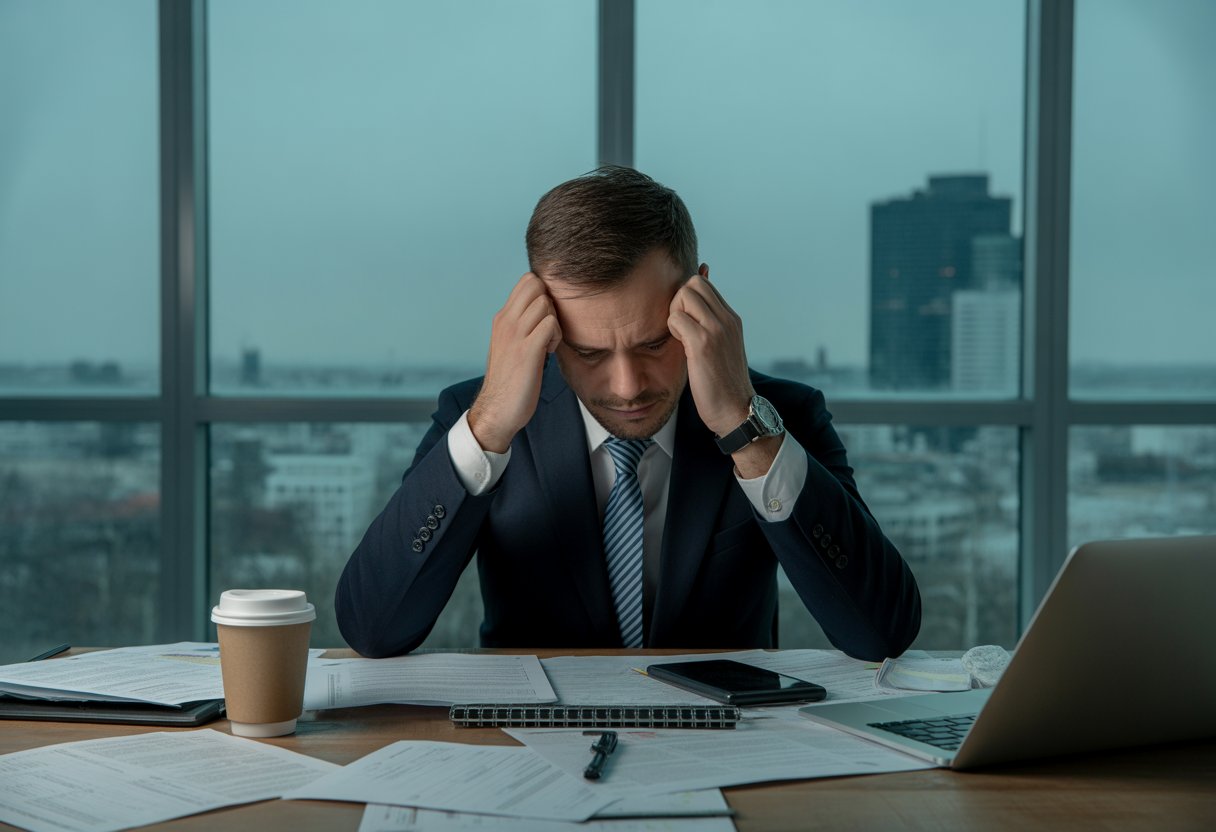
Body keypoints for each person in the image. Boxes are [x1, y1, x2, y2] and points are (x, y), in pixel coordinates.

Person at [336, 166, 920, 661]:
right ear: (541, 328)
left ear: (702, 300)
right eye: (589, 352)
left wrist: (746, 433)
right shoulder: (477, 416)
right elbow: (372, 628)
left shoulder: (780, 415)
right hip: (537, 755)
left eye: (653, 343)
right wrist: (489, 427)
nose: (626, 386)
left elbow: (881, 633)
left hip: (726, 748)